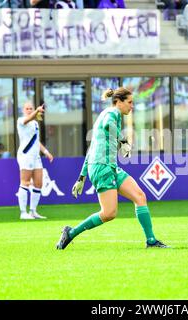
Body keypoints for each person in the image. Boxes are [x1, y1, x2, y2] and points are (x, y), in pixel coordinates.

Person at [56, 87, 168, 250]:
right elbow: (109, 125)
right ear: (119, 102)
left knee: (139, 196)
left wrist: (82, 177)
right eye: (129, 102)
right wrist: (123, 141)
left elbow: (91, 149)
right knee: (109, 213)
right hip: (103, 168)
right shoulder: (113, 114)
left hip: (108, 166)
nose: (132, 106)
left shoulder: (103, 114)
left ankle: (151, 241)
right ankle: (71, 232)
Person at [17, 101, 54, 220]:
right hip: (25, 155)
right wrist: (37, 111)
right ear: (23, 110)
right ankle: (23, 212)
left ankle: (33, 211)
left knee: (38, 183)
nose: (29, 110)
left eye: (30, 108)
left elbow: (36, 141)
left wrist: (46, 152)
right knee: (25, 182)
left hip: (35, 156)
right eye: (27, 108)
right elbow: (28, 119)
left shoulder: (35, 124)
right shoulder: (21, 121)